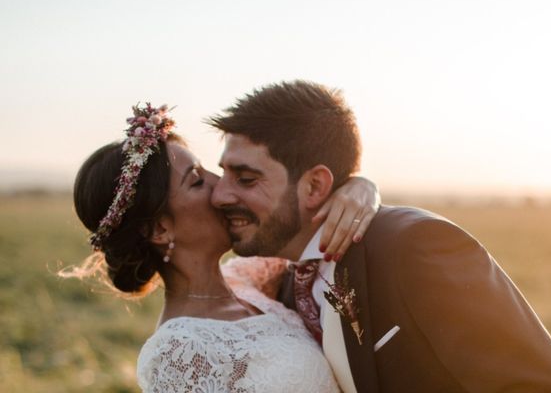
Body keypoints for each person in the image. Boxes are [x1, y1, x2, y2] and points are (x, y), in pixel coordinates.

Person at [209, 80, 551, 393]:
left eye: (245, 179)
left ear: (315, 185)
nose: (220, 195)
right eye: (222, 174)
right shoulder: (285, 283)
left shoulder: (416, 246)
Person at [68, 103, 380, 392]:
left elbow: (296, 240)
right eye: (196, 180)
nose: (221, 188)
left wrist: (358, 187)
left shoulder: (243, 281)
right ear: (160, 229)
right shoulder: (176, 354)